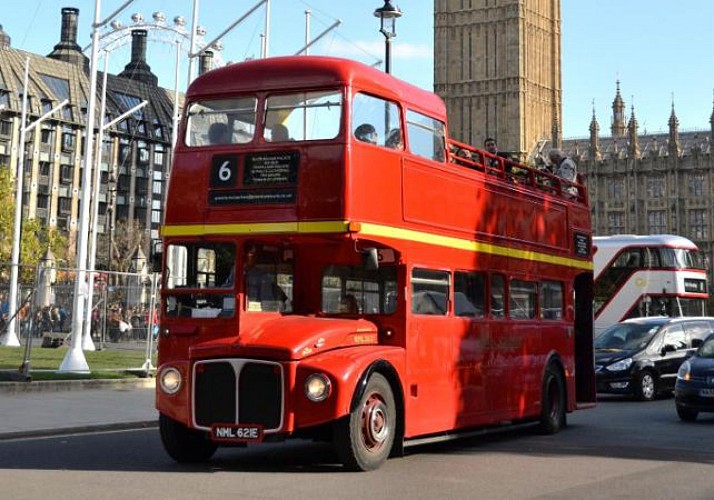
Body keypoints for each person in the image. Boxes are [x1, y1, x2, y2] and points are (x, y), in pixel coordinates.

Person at [244, 243, 287, 311]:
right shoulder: (234, 271)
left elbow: (267, 302)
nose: (252, 256)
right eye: (250, 253)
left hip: (254, 313)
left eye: (254, 254)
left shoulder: (262, 276)